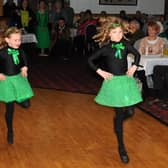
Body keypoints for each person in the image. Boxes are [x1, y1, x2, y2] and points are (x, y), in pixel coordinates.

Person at [88, 16, 142, 164]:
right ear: (108, 34)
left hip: (126, 81)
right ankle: (121, 147)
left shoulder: (125, 45)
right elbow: (90, 60)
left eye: (119, 32)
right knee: (119, 115)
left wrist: (134, 66)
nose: (118, 35)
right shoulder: (105, 49)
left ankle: (119, 119)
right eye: (115, 32)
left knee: (130, 111)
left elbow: (137, 55)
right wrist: (100, 71)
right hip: (113, 84)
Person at [0, 27, 34, 144]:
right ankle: (10, 131)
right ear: (7, 40)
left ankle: (15, 99)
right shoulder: (2, 52)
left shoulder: (21, 51)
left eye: (19, 40)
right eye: (15, 40)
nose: (18, 42)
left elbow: (24, 61)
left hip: (18, 79)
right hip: (6, 81)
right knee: (9, 109)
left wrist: (24, 68)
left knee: (26, 104)